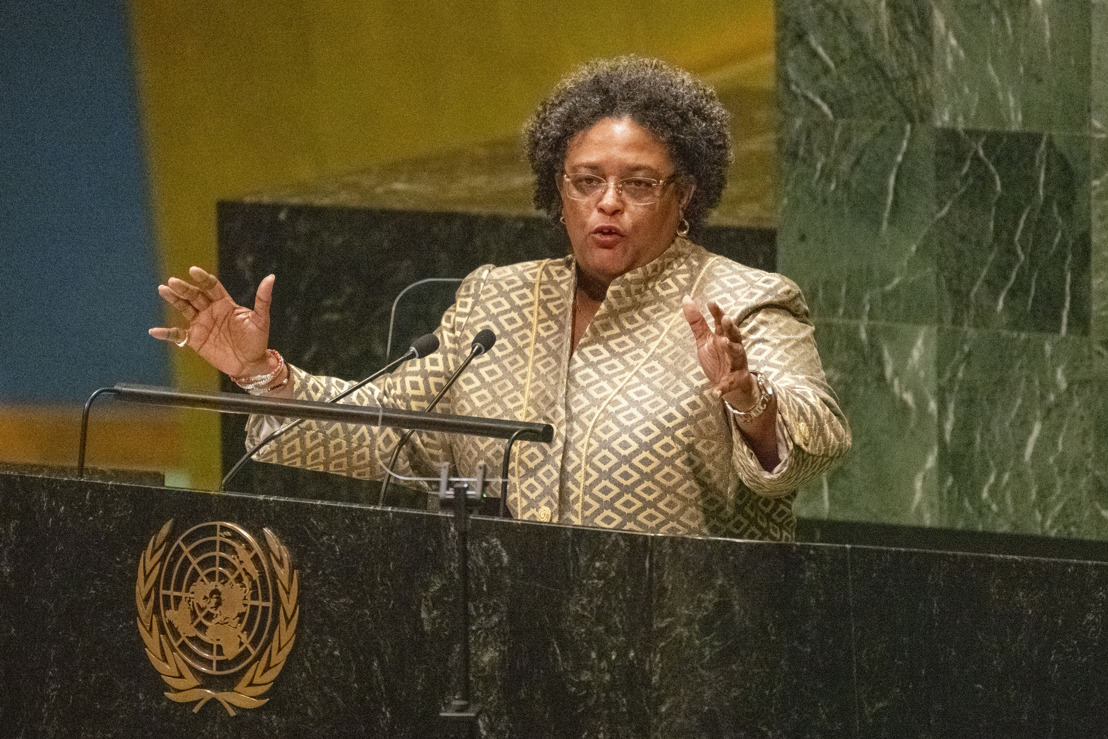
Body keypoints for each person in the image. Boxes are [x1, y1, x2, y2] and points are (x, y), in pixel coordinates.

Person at [150, 56, 850, 541]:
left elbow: (817, 437)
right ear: (558, 190)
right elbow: (390, 428)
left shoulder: (746, 299)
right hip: (506, 647)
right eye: (584, 182)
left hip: (683, 658)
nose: (607, 204)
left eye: (637, 184)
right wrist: (261, 375)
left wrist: (747, 400)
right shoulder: (497, 298)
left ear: (686, 193)